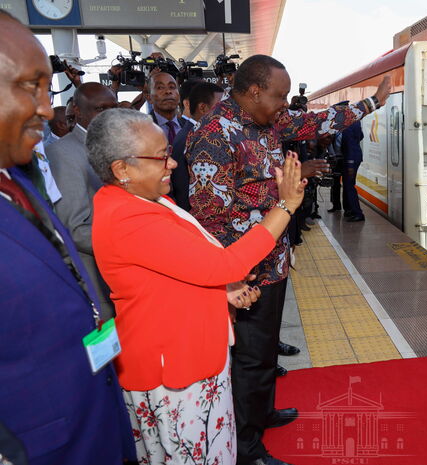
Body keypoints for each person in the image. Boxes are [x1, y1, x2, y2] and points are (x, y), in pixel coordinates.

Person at [186, 54, 390, 465]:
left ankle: (262, 412)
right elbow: (211, 216)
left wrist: (372, 103)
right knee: (246, 357)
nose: (285, 105)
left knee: (263, 351)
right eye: (279, 96)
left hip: (273, 259)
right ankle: (246, 448)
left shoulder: (267, 120)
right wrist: (280, 199)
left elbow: (314, 121)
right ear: (254, 91)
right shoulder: (214, 136)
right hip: (244, 271)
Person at [87, 108, 306, 465]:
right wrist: (286, 205)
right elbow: (226, 263)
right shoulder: (131, 219)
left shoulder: (145, 202)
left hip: (183, 352)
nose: (172, 164)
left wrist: (224, 291)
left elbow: (176, 271)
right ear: (121, 170)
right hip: (175, 371)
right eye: (161, 157)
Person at [0, 11, 135, 465]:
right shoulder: (52, 160)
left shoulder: (17, 181)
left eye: (46, 87)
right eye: (29, 86)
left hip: (91, 418)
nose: (45, 107)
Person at [46, 82, 118, 318]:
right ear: (76, 110)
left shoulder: (115, 145)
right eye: (100, 109)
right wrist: (129, 243)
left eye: (113, 108)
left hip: (122, 279)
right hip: (98, 281)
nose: (108, 115)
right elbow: (73, 229)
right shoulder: (63, 153)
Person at [171, 81, 225, 210]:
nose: (226, 112)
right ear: (202, 108)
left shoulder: (193, 134)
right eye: (221, 107)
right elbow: (182, 186)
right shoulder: (189, 137)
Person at [148, 71, 186, 145]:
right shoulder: (142, 129)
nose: (168, 91)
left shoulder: (190, 129)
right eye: (160, 87)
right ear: (149, 98)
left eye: (172, 87)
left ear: (179, 96)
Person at [341, 120, 365, 221]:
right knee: (348, 184)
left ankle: (357, 213)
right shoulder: (356, 122)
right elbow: (361, 136)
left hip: (351, 159)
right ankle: (349, 209)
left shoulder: (348, 124)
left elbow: (349, 144)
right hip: (356, 156)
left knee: (349, 185)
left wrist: (350, 163)